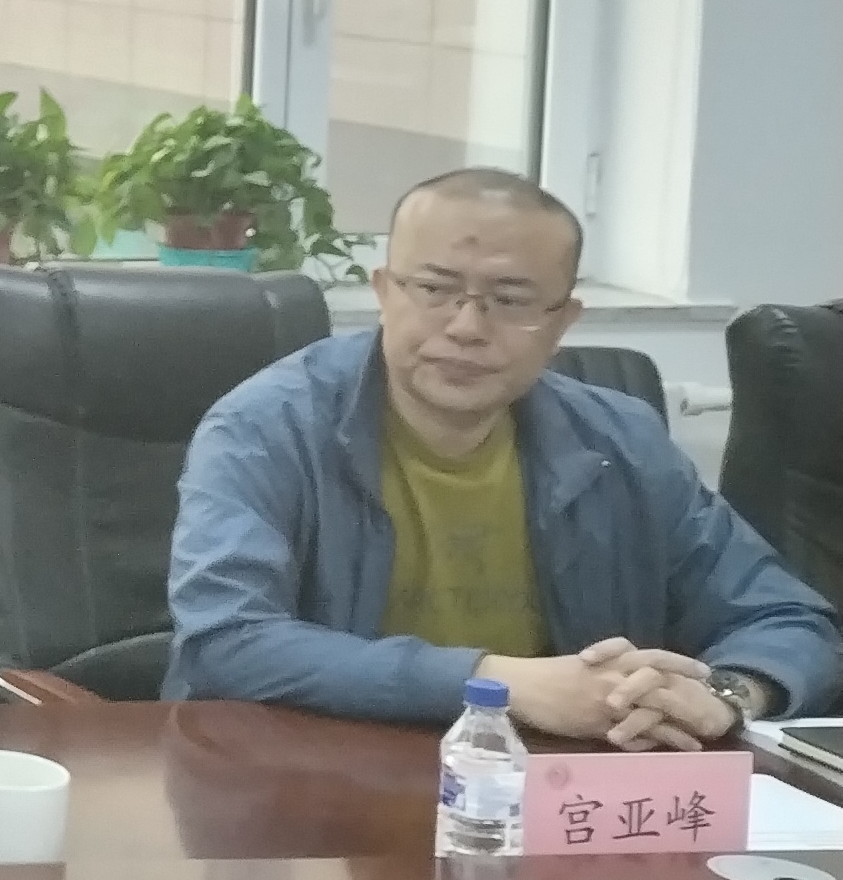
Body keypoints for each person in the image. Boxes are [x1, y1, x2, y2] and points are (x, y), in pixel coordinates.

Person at [168, 168, 840, 742]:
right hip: (313, 782)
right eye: (434, 290)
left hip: (557, 791)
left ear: (562, 321)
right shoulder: (266, 427)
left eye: (510, 301)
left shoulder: (622, 441)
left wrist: (723, 694)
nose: (467, 327)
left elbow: (787, 618)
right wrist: (497, 682)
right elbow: (226, 639)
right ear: (384, 292)